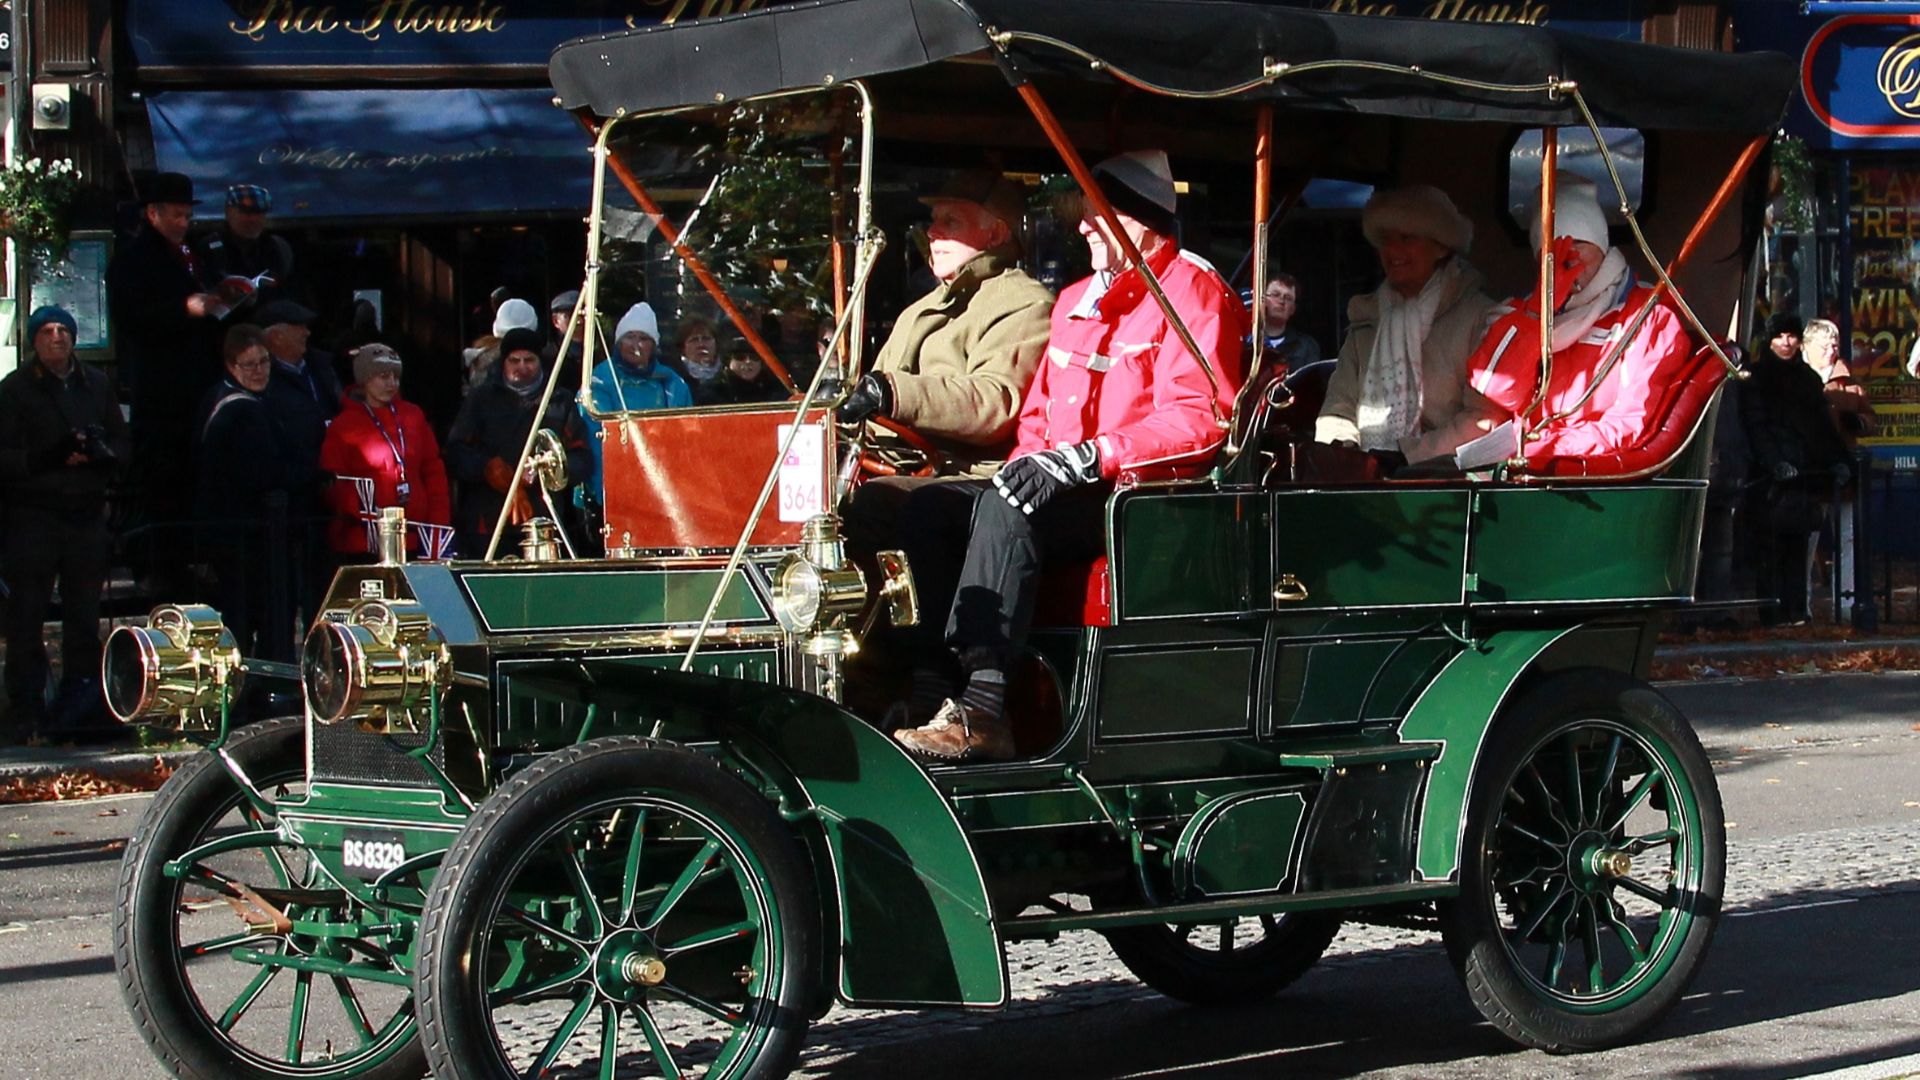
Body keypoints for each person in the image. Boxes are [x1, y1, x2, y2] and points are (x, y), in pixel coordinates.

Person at [890, 150, 1246, 761]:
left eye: (1096, 213)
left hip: (1140, 500)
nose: (1082, 226)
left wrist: (1087, 458)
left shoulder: (1193, 290)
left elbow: (1201, 418)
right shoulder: (1076, 298)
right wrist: (1036, 461)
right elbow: (1037, 416)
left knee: (1009, 505)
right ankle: (929, 687)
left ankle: (984, 709)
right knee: (929, 510)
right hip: (1071, 488)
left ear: (1140, 220)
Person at [1463, 172, 1696, 471]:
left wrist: (1546, 449)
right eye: (1553, 249)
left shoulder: (1647, 317)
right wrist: (1539, 311)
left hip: (1593, 475)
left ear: (1602, 248)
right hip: (1529, 469)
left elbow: (1630, 424)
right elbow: (1500, 389)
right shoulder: (1522, 314)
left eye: (1580, 243)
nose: (1569, 256)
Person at [836, 169, 1052, 478]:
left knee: (876, 501)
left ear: (996, 234)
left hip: (964, 477)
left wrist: (894, 394)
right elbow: (872, 413)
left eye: (951, 222)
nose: (932, 232)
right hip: (891, 466)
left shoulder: (1026, 304)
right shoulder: (918, 310)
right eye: (934, 220)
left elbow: (995, 403)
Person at [0, 306, 129, 741]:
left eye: (63, 331)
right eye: (47, 331)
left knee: (84, 617)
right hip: (33, 517)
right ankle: (25, 708)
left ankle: (81, 705)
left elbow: (121, 440)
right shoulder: (15, 389)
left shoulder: (96, 383)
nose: (56, 337)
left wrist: (99, 456)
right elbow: (5, 457)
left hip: (85, 515)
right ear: (34, 340)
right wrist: (47, 457)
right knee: (26, 617)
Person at [1314, 185, 1494, 466]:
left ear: (1440, 246)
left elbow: (1485, 419)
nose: (1392, 250)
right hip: (1365, 478)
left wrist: (1407, 458)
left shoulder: (1480, 317)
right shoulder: (1366, 321)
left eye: (1407, 238)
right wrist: (1346, 457)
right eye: (1385, 240)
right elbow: (1338, 409)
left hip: (1450, 477)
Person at [107, 171, 224, 580]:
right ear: (152, 214)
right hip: (162, 391)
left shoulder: (192, 254)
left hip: (198, 384)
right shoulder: (132, 261)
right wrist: (183, 309)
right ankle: (164, 569)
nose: (183, 223)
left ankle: (195, 558)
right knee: (164, 483)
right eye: (176, 215)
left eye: (187, 215)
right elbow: (131, 319)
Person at [195, 325, 311, 662]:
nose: (259, 371)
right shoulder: (236, 410)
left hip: (259, 532)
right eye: (249, 364)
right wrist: (307, 475)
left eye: (264, 362)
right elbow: (262, 472)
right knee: (247, 616)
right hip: (244, 533)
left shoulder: (261, 401)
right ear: (231, 366)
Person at [1740, 312, 1852, 626]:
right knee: (1771, 549)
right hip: (1770, 478)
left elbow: (1821, 427)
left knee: (1798, 546)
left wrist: (1837, 460)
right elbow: (1756, 426)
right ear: (1768, 341)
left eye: (1791, 336)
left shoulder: (1807, 379)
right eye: (1779, 336)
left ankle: (1795, 610)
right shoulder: (1757, 378)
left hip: (1802, 473)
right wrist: (1773, 462)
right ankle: (1773, 612)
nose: (1786, 342)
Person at [445, 326, 592, 555]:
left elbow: (582, 458)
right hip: (488, 522)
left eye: (529, 360)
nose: (522, 367)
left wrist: (547, 468)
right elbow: (455, 451)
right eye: (514, 360)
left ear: (540, 361)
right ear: (503, 361)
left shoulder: (559, 400)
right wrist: (487, 467)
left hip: (542, 521)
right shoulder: (481, 399)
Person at [320, 344, 452, 559]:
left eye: (395, 377)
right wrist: (365, 513)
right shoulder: (343, 425)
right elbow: (335, 482)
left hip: (415, 536)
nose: (391, 383)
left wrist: (438, 524)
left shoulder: (413, 415)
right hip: (364, 540)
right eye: (383, 376)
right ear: (364, 379)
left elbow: (433, 471)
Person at [258, 298, 342, 618]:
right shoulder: (264, 379)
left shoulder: (321, 367)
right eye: (298, 326)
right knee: (284, 591)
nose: (306, 332)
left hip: (328, 492)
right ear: (275, 335)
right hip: (290, 498)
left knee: (324, 588)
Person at [578, 302, 692, 508]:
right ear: (619, 342)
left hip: (665, 490)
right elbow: (599, 442)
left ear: (654, 346)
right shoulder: (599, 382)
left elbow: (687, 438)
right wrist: (607, 495)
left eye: (644, 339)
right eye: (630, 337)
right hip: (612, 489)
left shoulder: (672, 383)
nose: (636, 345)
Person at [193, 184, 295, 311]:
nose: (253, 219)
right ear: (228, 212)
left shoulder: (275, 247)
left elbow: (287, 289)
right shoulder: (210, 248)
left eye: (259, 213)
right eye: (246, 212)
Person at [1253, 272, 1322, 372]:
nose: (1281, 301)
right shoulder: (1248, 340)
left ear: (1293, 309)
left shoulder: (1307, 346)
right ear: (1263, 300)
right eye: (1275, 295)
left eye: (1288, 298)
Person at [711, 338, 789, 404]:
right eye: (740, 357)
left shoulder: (775, 389)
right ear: (728, 362)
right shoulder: (715, 391)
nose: (748, 361)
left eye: (754, 357)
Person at [672, 316, 726, 404]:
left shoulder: (729, 374)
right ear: (683, 348)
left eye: (706, 338)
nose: (701, 345)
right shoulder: (674, 378)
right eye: (694, 340)